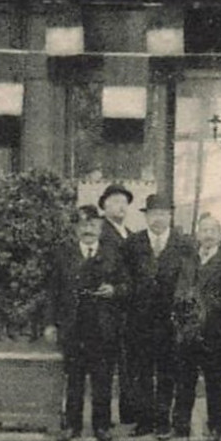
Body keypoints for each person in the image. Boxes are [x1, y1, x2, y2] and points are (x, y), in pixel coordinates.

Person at [49, 204, 126, 441]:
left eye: (93, 225)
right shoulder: (64, 254)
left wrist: (114, 289)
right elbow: (53, 292)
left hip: (102, 328)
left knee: (102, 379)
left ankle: (101, 426)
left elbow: (128, 285)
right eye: (83, 225)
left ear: (101, 227)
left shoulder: (114, 253)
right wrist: (50, 324)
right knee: (74, 379)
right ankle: (72, 425)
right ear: (76, 229)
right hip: (74, 328)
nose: (88, 230)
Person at [122, 192, 192, 437]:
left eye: (163, 214)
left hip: (170, 321)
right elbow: (125, 280)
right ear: (146, 217)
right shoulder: (133, 243)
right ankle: (145, 421)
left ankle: (163, 420)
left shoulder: (183, 243)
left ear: (171, 216)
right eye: (153, 214)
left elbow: (189, 282)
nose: (158, 219)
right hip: (140, 321)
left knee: (167, 372)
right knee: (142, 372)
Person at [171, 213, 221, 441]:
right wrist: (184, 305)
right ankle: (181, 424)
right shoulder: (188, 263)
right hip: (189, 332)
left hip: (214, 332)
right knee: (185, 380)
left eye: (212, 231)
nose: (208, 235)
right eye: (204, 230)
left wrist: (201, 305)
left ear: (219, 236)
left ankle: (216, 425)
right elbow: (179, 291)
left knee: (214, 381)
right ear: (197, 235)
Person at [94, 182, 140, 426]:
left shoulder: (131, 235)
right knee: (104, 366)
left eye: (124, 202)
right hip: (105, 310)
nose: (120, 206)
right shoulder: (100, 233)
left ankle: (128, 412)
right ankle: (102, 418)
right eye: (115, 201)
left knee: (128, 364)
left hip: (127, 310)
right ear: (104, 206)